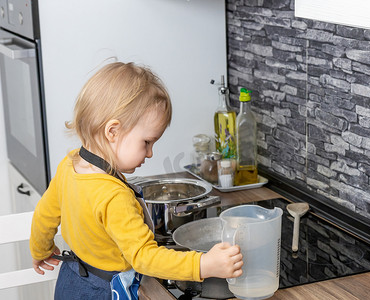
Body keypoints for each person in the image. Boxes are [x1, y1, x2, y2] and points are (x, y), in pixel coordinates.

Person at [29, 62, 243, 299]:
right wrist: (204, 264)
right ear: (113, 131)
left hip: (70, 280)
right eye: (147, 142)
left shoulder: (70, 165)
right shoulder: (113, 196)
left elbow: (44, 215)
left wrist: (41, 250)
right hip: (104, 292)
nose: (151, 153)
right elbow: (144, 258)